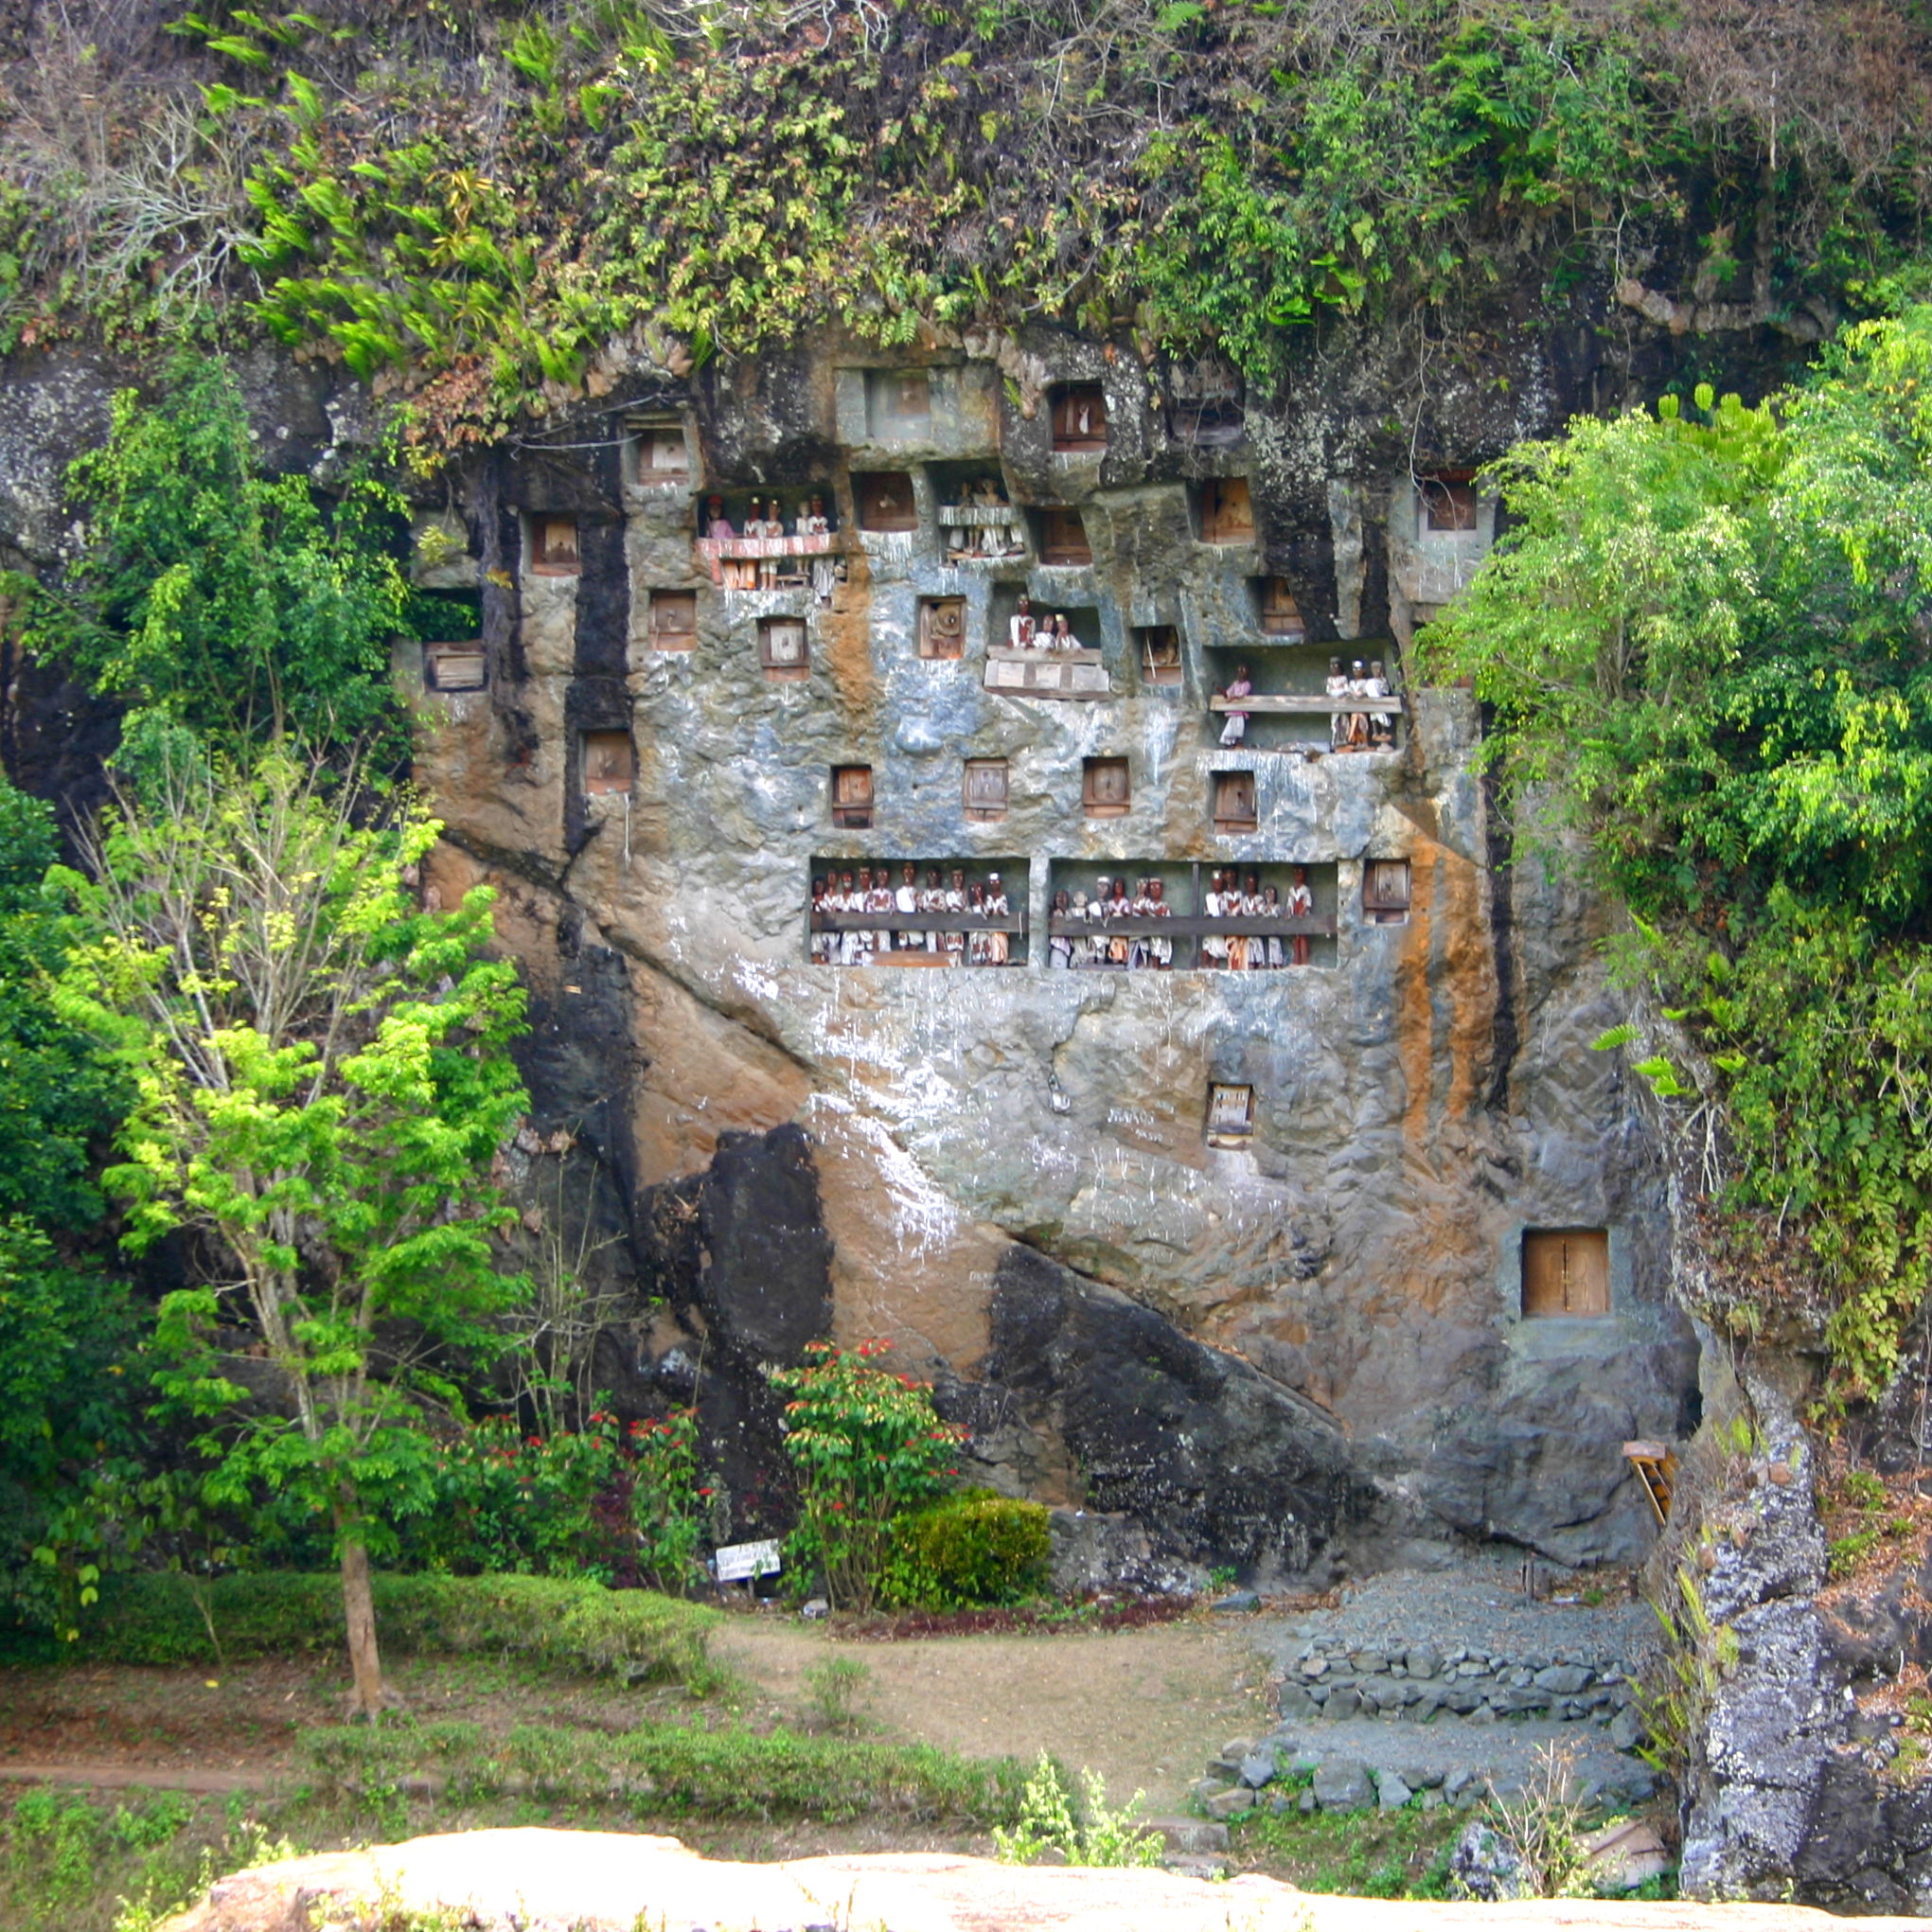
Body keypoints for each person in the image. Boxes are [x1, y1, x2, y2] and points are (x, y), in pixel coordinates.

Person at [800, 495, 837, 605]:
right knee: (818, 567)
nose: (817, 506)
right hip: (816, 549)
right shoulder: (810, 520)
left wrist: (822, 530)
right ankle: (819, 594)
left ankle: (829, 594)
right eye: (815, 504)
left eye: (819, 504)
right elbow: (810, 531)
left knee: (829, 568)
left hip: (827, 547)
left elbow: (827, 531)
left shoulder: (826, 519)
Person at [1218, 662, 1252, 748]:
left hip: (1240, 710)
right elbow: (1229, 692)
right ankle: (1229, 743)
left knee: (1238, 728)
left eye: (1243, 671)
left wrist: (1233, 698)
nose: (1241, 674)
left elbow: (1241, 694)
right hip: (1233, 710)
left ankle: (1236, 743)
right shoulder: (1235, 684)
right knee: (1230, 728)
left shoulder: (1247, 684)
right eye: (1239, 671)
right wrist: (1223, 692)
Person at [1201, 869, 1229, 969]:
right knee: (1207, 944)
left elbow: (1226, 909)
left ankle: (1213, 965)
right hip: (1210, 924)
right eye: (1215, 883)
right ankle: (1204, 965)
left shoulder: (1224, 896)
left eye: (1219, 883)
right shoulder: (1209, 897)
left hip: (1221, 924)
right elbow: (1206, 909)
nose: (1217, 885)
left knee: (1217, 946)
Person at [1286, 864, 1313, 966]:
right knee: (1295, 938)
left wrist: (1302, 911)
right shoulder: (1291, 890)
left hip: (1302, 916)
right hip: (1294, 915)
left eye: (1300, 873)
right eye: (1296, 873)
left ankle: (1304, 961)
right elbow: (1290, 902)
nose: (1298, 875)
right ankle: (1296, 960)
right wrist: (1289, 911)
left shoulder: (1305, 889)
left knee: (1303, 938)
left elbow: (1308, 903)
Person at [984, 872, 1011, 966]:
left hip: (1002, 924)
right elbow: (987, 910)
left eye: (996, 882)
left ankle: (1004, 959)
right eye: (992, 882)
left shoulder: (1003, 896)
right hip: (993, 925)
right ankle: (996, 959)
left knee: (1002, 939)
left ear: (1000, 883)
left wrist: (1001, 911)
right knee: (994, 939)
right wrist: (990, 911)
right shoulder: (989, 897)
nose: (994, 884)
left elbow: (1004, 909)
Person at [1366, 659, 1394, 747]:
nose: (1376, 671)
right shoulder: (1370, 681)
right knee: (1373, 713)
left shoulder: (1383, 681)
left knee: (1382, 713)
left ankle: (1383, 731)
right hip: (1373, 703)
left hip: (1382, 703)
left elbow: (1386, 691)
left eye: (1378, 669)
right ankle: (1375, 732)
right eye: (1374, 669)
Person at [895, 861, 920, 954]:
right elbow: (897, 907)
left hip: (914, 921)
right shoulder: (899, 892)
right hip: (903, 922)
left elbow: (919, 907)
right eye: (906, 871)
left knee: (915, 938)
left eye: (911, 871)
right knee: (903, 939)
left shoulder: (916, 892)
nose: (908, 874)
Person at [943, 868, 967, 965]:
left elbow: (966, 909)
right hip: (950, 922)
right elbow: (945, 908)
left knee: (959, 943)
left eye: (960, 877)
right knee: (950, 943)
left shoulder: (964, 894)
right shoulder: (948, 895)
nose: (958, 879)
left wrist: (958, 907)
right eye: (955, 877)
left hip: (960, 922)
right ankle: (951, 962)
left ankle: (960, 962)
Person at [1326, 657, 1351, 750]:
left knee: (1344, 721)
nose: (1333, 669)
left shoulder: (1343, 678)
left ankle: (1344, 739)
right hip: (1334, 704)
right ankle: (1336, 740)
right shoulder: (1329, 679)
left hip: (1343, 703)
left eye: (1336, 666)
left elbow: (1347, 690)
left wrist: (1343, 693)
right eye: (1331, 667)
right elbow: (1328, 691)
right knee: (1335, 723)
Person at [920, 865, 946, 952]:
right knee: (930, 940)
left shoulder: (941, 892)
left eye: (934, 875)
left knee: (940, 940)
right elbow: (922, 906)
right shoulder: (924, 892)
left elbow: (942, 907)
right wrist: (930, 904)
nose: (931, 877)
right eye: (929, 875)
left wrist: (929, 904)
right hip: (928, 922)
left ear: (938, 877)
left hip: (939, 921)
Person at [1261, 883, 1285, 969]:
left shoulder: (1277, 906)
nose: (1270, 896)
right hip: (1268, 930)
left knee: (1276, 946)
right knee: (1270, 948)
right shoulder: (1263, 907)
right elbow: (1261, 914)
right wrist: (1266, 909)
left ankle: (1278, 964)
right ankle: (1271, 964)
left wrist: (1271, 909)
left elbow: (1277, 914)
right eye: (1267, 893)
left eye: (1272, 893)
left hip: (1275, 930)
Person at [1049, 889, 1074, 969]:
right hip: (1056, 945)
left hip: (1065, 946)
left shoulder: (1069, 913)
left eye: (1063, 896)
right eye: (1058, 896)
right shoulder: (1054, 913)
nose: (1060, 899)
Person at [809, 877, 833, 963]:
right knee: (816, 939)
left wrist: (820, 904)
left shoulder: (827, 899)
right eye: (817, 885)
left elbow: (829, 910)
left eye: (821, 885)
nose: (819, 887)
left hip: (828, 928)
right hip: (816, 929)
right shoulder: (811, 900)